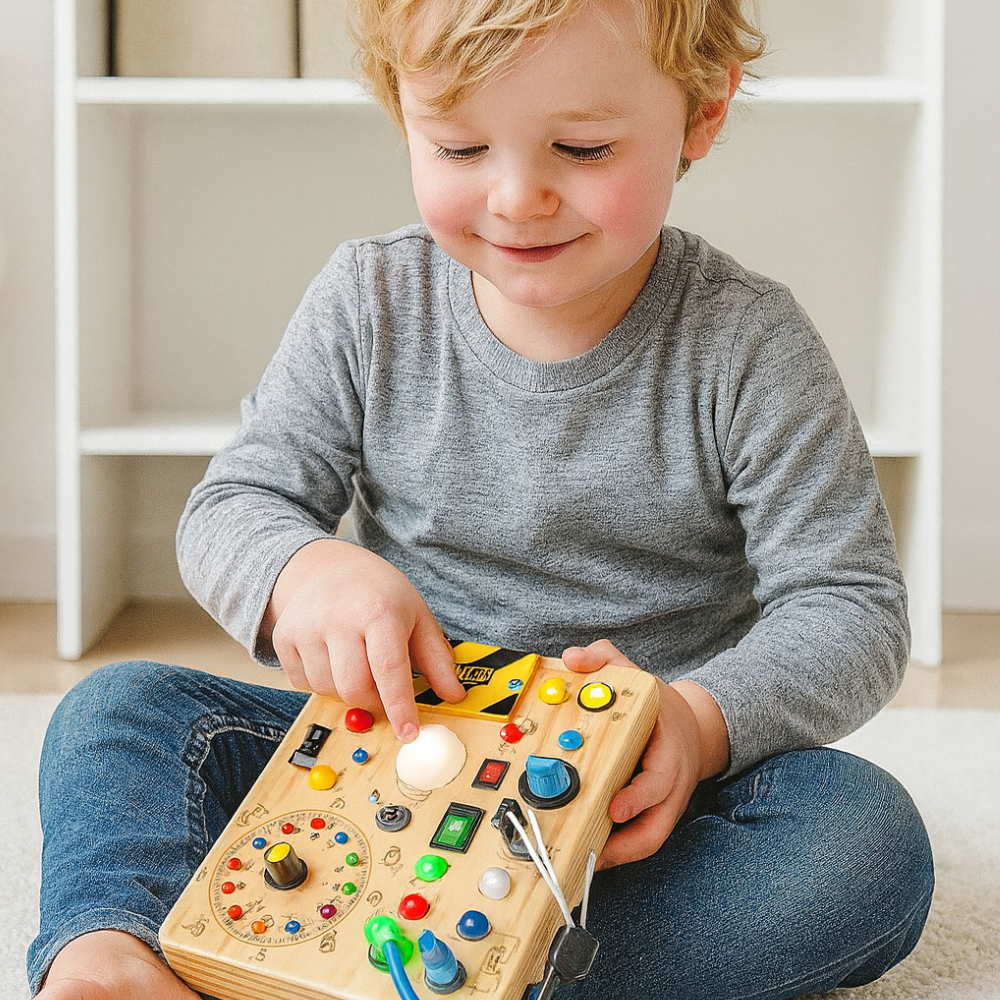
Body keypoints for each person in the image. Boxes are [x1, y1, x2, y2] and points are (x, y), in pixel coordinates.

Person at [29, 1, 934, 998]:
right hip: (387, 779)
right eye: (458, 146)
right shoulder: (366, 300)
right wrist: (305, 571)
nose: (517, 197)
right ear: (401, 113)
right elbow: (235, 503)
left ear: (701, 113)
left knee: (861, 841)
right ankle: (113, 951)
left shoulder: (749, 344)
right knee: (120, 714)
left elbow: (848, 605)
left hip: (635, 809)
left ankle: (466, 967)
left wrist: (695, 720)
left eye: (581, 147)